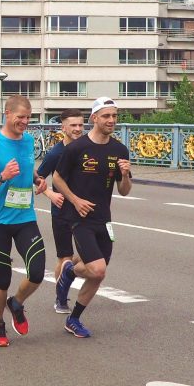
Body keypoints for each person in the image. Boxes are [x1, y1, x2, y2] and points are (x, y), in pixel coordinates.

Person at [53, 97, 133, 339]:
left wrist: (126, 174)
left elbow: (124, 190)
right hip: (78, 218)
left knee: (97, 270)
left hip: (103, 219)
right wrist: (75, 200)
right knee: (98, 271)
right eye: (106, 116)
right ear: (94, 118)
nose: (111, 120)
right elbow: (57, 178)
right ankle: (73, 315)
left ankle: (70, 285)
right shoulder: (76, 148)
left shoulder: (119, 149)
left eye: (114, 116)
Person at [0, 95, 48, 348]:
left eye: (29, 117)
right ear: (7, 114)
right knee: (2, 278)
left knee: (37, 271)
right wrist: (2, 176)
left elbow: (28, 169)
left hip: (25, 216)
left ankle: (16, 303)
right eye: (21, 117)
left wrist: (38, 180)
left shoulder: (28, 141)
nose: (25, 122)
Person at [36, 109, 86, 313]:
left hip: (83, 211)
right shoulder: (56, 153)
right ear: (63, 128)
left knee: (90, 256)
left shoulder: (87, 148)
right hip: (62, 211)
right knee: (64, 258)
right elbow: (38, 177)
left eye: (80, 125)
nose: (77, 129)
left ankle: (67, 275)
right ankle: (61, 298)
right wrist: (49, 194)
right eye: (73, 125)